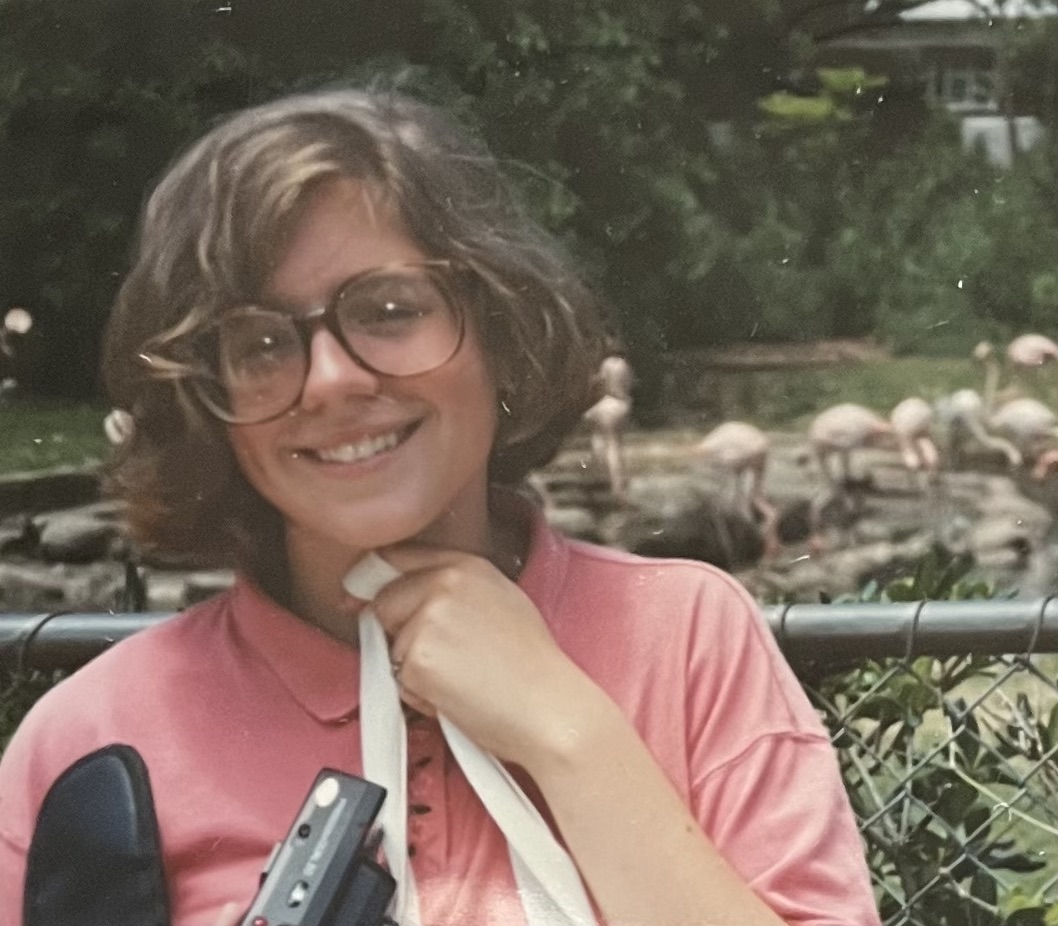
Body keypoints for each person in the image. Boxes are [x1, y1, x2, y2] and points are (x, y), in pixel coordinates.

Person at [0, 87, 881, 926]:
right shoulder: (93, 742)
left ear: (500, 328)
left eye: (388, 311)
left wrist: (571, 736)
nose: (333, 380)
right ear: (207, 396)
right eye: (261, 342)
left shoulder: (687, 640)